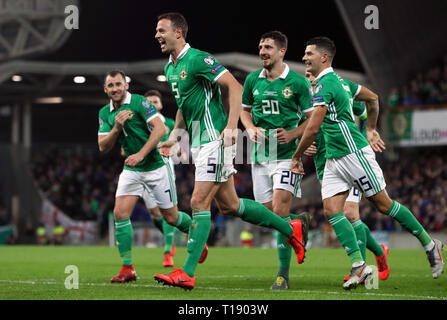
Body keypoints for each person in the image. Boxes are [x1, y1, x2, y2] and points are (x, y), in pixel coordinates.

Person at [153, 12, 306, 290]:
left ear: (178, 33)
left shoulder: (199, 59)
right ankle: (290, 228)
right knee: (230, 206)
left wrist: (233, 127)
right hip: (198, 143)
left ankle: (186, 272)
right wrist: (176, 137)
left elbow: (234, 87)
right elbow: (184, 108)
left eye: (161, 30)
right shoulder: (170, 68)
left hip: (215, 140)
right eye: (156, 30)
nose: (157, 35)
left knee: (199, 202)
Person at [291, 37, 444, 290]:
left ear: (324, 57)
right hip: (334, 159)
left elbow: (315, 125)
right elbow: (372, 98)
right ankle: (359, 266)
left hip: (353, 154)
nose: (305, 58)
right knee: (332, 211)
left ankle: (430, 245)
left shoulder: (327, 84)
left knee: (384, 205)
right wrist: (371, 128)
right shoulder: (339, 82)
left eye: (309, 54)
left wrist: (296, 156)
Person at [98, 70, 204, 283]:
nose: (115, 89)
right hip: (132, 170)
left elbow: (160, 129)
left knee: (171, 217)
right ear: (105, 89)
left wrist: (140, 154)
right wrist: (117, 128)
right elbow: (103, 146)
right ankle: (127, 268)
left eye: (118, 84)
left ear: (126, 86)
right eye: (111, 85)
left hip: (156, 167)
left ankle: (198, 237)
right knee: (120, 213)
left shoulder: (140, 103)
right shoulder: (104, 113)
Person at [240, 31, 312, 290]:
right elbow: (244, 111)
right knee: (268, 215)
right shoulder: (251, 80)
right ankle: (297, 223)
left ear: (282, 51)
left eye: (268, 47)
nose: (263, 51)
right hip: (260, 156)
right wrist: (248, 127)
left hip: (287, 157)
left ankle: (283, 274)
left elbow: (313, 119)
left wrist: (294, 133)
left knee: (279, 210)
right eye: (260, 47)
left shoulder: (298, 83)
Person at [304, 72, 390, 283]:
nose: (309, 76)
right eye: (306, 74)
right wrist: (307, 144)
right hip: (325, 163)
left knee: (351, 214)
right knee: (336, 214)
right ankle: (379, 251)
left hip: (348, 158)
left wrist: (365, 136)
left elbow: (360, 113)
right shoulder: (308, 101)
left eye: (311, 73)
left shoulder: (336, 92)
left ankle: (359, 268)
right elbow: (307, 129)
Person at [140, 89, 188, 268]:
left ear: (160, 104)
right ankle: (172, 237)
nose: (152, 104)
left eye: (155, 101)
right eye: (149, 102)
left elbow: (180, 147)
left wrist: (179, 148)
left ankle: (168, 251)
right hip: (143, 170)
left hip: (163, 170)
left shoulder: (169, 123)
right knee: (155, 214)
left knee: (167, 210)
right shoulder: (139, 122)